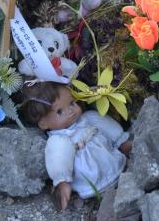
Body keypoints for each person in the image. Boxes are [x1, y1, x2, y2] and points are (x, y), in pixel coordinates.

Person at [20, 82, 132, 210]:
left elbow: (107, 127)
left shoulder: (87, 118)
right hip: (92, 177)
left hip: (112, 159)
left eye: (72, 103)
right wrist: (63, 182)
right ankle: (110, 200)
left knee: (96, 118)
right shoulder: (59, 140)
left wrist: (121, 141)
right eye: (59, 111)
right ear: (43, 123)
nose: (71, 111)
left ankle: (124, 157)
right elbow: (58, 160)